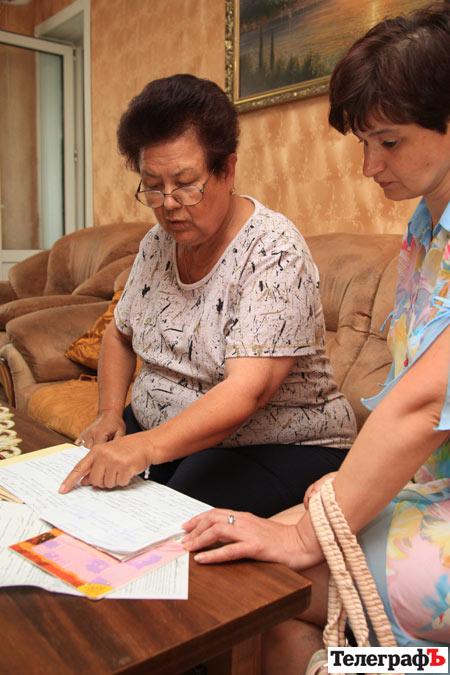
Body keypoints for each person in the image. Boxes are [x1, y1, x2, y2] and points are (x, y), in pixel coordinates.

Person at [182, 4, 450, 670]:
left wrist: (311, 532)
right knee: (227, 551)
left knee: (260, 573)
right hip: (427, 489)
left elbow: (425, 403)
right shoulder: (425, 229)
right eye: (364, 143)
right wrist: (344, 489)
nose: (369, 165)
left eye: (389, 142)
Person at [59, 74, 356, 516]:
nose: (168, 203)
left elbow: (247, 392)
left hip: (276, 443)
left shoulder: (274, 251)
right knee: (82, 496)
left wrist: (145, 448)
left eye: (185, 183)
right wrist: (109, 414)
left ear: (227, 170)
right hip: (170, 433)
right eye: (153, 185)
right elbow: (119, 335)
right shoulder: (156, 244)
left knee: (167, 517)